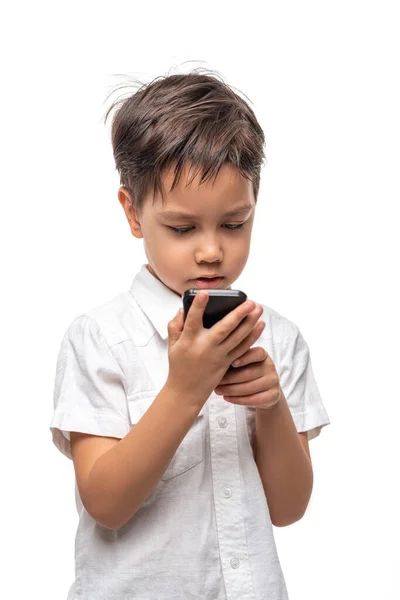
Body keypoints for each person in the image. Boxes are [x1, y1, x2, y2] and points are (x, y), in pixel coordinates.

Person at [50, 70, 330, 600]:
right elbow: (105, 502)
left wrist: (271, 406)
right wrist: (184, 390)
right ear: (134, 213)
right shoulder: (100, 338)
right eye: (183, 228)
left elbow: (289, 508)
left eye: (234, 223)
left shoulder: (279, 339)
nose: (211, 251)